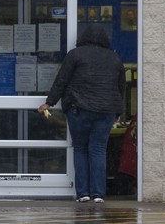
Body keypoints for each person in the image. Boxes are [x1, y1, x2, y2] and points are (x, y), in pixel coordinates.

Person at [38, 24, 125, 203]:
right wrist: (118, 110)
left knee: (80, 149)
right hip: (106, 111)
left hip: (79, 109)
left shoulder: (75, 54)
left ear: (83, 38)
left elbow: (61, 80)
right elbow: (120, 86)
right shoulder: (114, 58)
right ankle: (98, 194)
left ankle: (83, 193)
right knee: (98, 150)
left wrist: (49, 102)